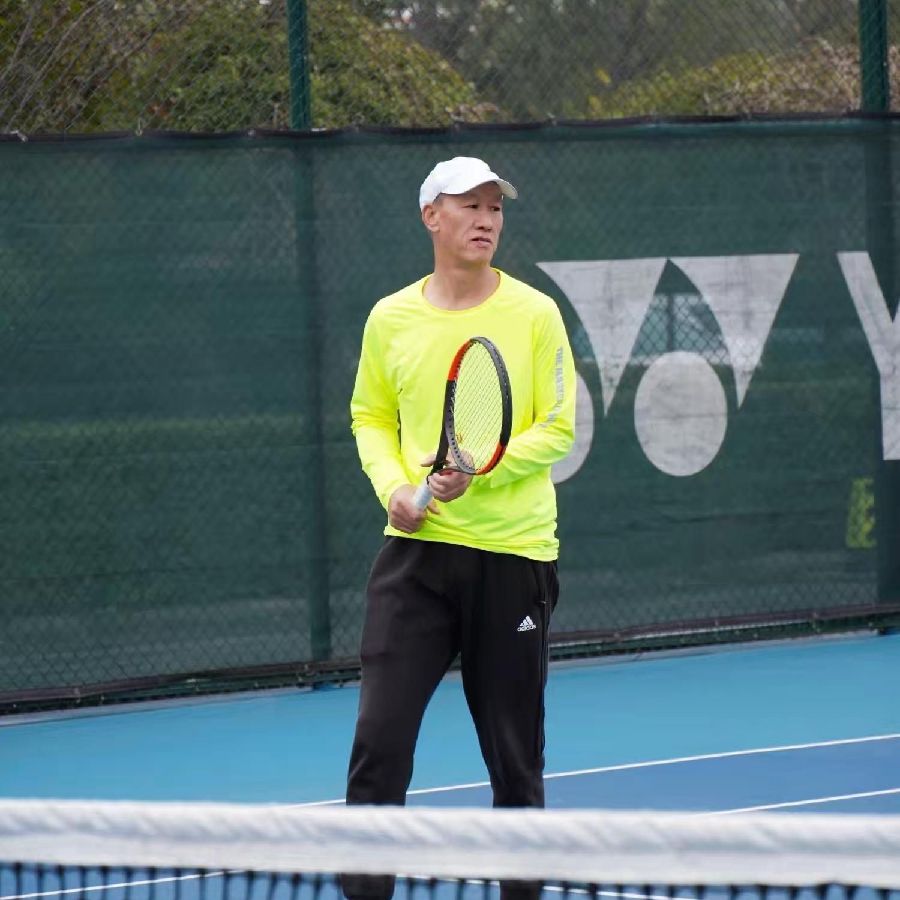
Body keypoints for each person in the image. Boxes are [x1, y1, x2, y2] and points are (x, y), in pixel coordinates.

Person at [343, 156, 576, 900]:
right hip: (415, 559)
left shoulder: (535, 314)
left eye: (494, 207)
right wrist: (393, 490)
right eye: (469, 205)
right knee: (379, 744)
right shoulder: (390, 318)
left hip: (512, 558)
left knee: (514, 762)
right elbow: (370, 416)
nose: (485, 219)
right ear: (431, 217)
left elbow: (558, 426)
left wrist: (483, 468)